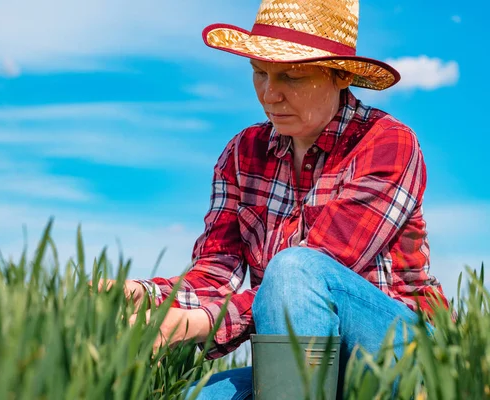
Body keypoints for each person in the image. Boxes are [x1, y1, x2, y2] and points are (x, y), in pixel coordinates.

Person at [92, 0, 448, 398]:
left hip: (401, 350)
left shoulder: (386, 142)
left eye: (291, 76)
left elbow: (315, 271)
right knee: (191, 396)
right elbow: (216, 271)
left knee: (294, 269)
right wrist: (147, 296)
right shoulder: (243, 152)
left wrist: (195, 324)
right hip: (300, 358)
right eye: (259, 73)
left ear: (340, 76)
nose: (270, 94)